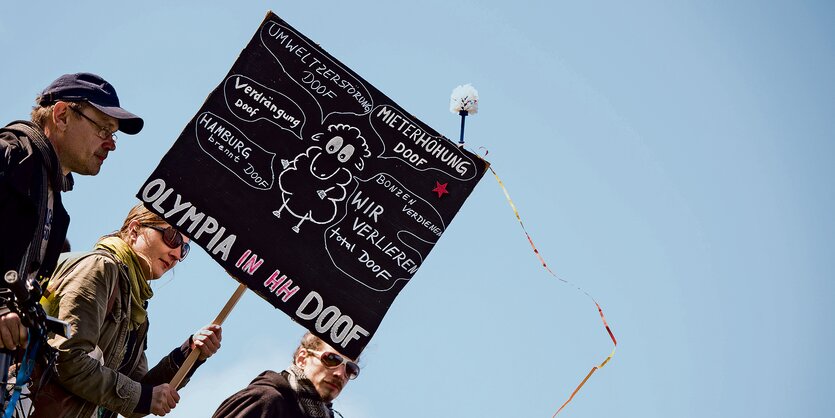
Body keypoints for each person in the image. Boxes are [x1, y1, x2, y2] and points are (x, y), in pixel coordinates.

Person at [32, 203, 222, 418]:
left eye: (185, 249)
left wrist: (188, 354)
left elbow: (135, 396)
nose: (177, 254)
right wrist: (143, 397)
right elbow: (67, 358)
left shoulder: (136, 304)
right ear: (134, 230)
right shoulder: (100, 268)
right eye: (173, 237)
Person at [0, 72, 144, 350]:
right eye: (103, 128)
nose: (111, 143)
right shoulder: (9, 154)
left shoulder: (55, 206)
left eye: (113, 134)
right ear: (62, 115)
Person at [212, 332, 359, 418]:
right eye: (332, 359)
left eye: (350, 369)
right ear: (302, 359)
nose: (340, 374)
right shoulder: (266, 400)